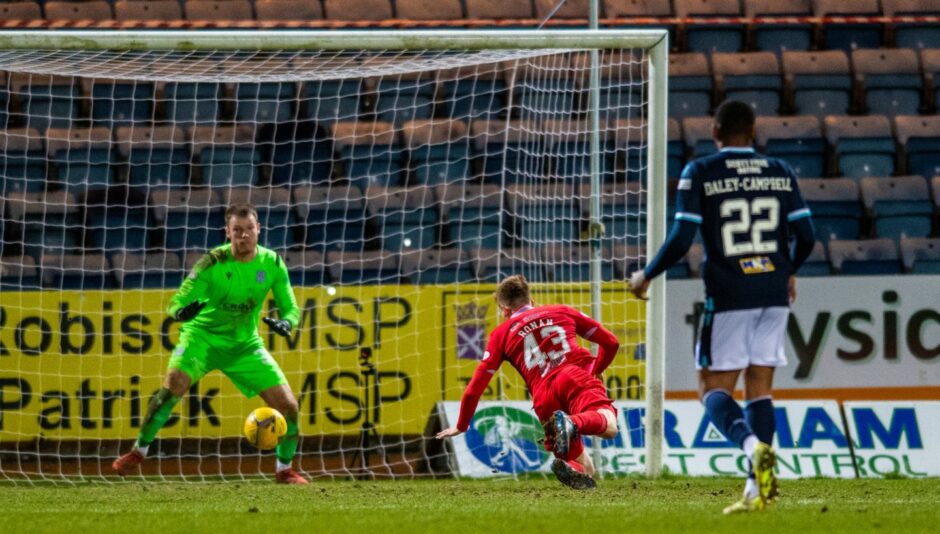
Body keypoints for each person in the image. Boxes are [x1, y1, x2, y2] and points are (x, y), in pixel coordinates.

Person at [629, 100, 816, 513]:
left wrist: (646, 275)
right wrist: (788, 271)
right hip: (773, 291)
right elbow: (807, 236)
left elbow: (682, 238)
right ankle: (757, 489)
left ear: (715, 131)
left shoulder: (703, 171)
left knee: (712, 387)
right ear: (754, 131)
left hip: (731, 291)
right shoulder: (781, 172)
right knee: (760, 385)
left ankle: (752, 449)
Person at [112, 204, 308, 484]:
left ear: (259, 230)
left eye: (249, 229)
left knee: (289, 407)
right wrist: (182, 313)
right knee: (171, 388)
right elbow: (176, 303)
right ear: (227, 233)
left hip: (244, 345)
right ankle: (138, 452)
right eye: (237, 230)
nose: (244, 236)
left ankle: (284, 470)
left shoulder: (273, 263)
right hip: (201, 339)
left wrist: (287, 323)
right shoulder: (212, 262)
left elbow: (291, 309)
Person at [436, 275, 621, 490]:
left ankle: (574, 460)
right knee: (609, 426)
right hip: (572, 375)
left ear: (504, 309)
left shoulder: (500, 334)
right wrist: (595, 369)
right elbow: (611, 342)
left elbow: (473, 390)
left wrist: (461, 424)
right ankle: (573, 423)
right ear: (531, 301)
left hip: (543, 399)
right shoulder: (561, 311)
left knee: (584, 468)